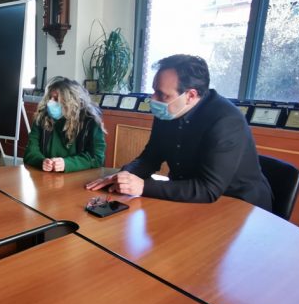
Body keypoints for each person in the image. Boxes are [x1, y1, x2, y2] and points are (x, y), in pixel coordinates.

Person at [86, 54, 273, 211]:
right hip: (189, 197)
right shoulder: (168, 110)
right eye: (154, 91)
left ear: (190, 95)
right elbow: (150, 158)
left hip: (239, 205)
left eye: (162, 94)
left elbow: (208, 188)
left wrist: (143, 186)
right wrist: (124, 176)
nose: (153, 99)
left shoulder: (226, 120)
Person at [24, 76, 106, 173]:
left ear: (71, 102)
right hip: (46, 176)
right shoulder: (41, 118)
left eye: (56, 99)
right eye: (49, 98)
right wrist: (42, 161)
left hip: (79, 177)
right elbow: (30, 152)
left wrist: (67, 164)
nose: (50, 102)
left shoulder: (91, 121)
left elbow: (97, 158)